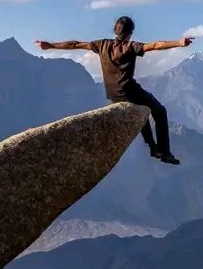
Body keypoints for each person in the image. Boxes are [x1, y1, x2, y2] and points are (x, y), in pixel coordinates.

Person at [36, 16, 193, 165]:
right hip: (129, 91)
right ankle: (165, 152)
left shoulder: (102, 44)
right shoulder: (130, 47)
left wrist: (50, 45)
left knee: (141, 111)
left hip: (113, 94)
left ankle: (153, 148)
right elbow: (155, 45)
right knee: (159, 111)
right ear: (130, 33)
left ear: (115, 31)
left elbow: (75, 44)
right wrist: (179, 43)